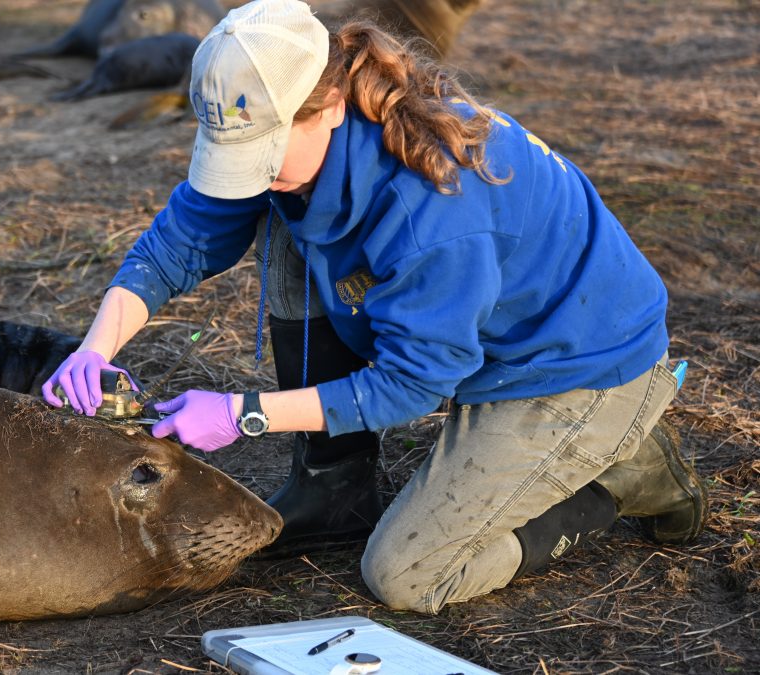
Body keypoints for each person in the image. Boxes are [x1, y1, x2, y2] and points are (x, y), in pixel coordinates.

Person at [40, 0, 708, 614]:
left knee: (407, 575)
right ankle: (333, 484)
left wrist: (244, 413)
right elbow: (180, 239)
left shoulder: (430, 205)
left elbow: (414, 381)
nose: (250, 174)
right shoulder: (299, 127)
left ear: (327, 105)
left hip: (576, 365)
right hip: (479, 337)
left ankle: (621, 476)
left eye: (262, 156)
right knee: (285, 222)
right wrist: (94, 347)